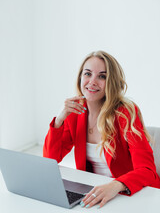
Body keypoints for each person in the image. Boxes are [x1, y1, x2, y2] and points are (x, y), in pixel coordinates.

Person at [43, 50, 160, 209]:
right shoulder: (76, 112)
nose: (92, 81)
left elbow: (147, 171)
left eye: (102, 76)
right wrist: (59, 120)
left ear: (112, 81)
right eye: (88, 74)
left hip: (129, 194)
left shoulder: (125, 113)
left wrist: (116, 185)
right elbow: (50, 159)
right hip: (94, 194)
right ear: (80, 77)